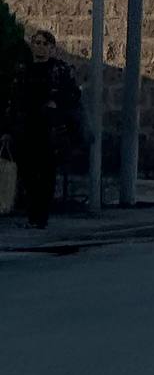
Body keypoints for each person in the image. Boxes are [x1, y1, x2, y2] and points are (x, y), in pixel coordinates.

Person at [2, 27, 86, 229]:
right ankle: (33, 214)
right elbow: (12, 101)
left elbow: (73, 95)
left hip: (49, 130)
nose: (39, 47)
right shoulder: (23, 70)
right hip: (26, 128)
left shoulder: (60, 70)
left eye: (44, 43)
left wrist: (56, 103)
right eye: (37, 43)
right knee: (27, 173)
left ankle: (40, 216)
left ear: (51, 47)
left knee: (46, 173)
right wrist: (6, 129)